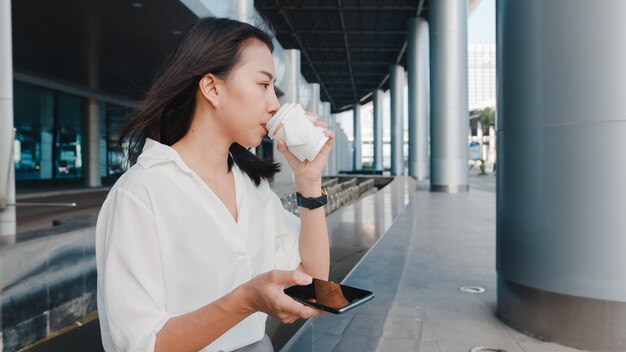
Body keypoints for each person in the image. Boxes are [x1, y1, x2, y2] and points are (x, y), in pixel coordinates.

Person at [95, 17, 333, 352]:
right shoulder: (141, 192)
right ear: (212, 88)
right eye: (263, 85)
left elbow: (312, 280)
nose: (274, 104)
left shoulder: (252, 188)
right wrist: (246, 300)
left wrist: (309, 184)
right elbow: (140, 344)